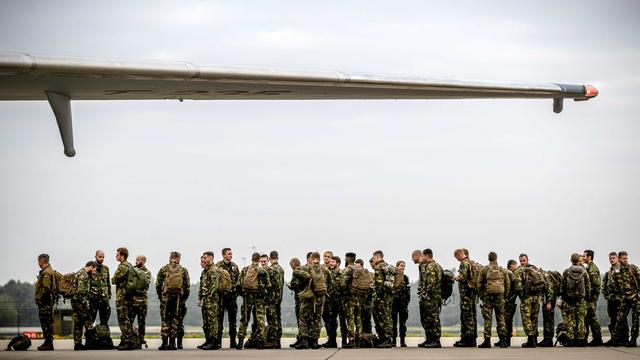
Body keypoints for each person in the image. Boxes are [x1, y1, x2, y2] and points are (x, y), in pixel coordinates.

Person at [156, 251, 190, 351]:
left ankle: (164, 343)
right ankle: (172, 343)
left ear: (170, 258)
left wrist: (161, 296)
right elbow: (187, 287)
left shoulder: (163, 269)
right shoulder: (183, 270)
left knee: (165, 319)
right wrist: (183, 299)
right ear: (178, 258)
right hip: (178, 299)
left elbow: (158, 284)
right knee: (175, 320)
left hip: (165, 298)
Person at [294, 251, 328, 349]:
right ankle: (315, 342)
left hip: (308, 298)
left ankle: (304, 341)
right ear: (320, 259)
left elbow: (295, 272)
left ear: (311, 259)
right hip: (320, 299)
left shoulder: (306, 268)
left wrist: (306, 276)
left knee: (303, 318)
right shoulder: (324, 269)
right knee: (317, 319)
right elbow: (330, 283)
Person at [236, 252, 270, 350]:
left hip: (247, 297)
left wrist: (244, 294)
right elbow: (268, 286)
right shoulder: (262, 270)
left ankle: (240, 341)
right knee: (260, 319)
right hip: (259, 297)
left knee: (244, 318)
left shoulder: (245, 270)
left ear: (251, 259)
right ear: (259, 260)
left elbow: (238, 285)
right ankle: (260, 342)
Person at [476, 252, 510, 348]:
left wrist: (482, 295)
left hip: (488, 297)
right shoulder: (502, 270)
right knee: (501, 318)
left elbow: (479, 284)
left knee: (488, 318)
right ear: (496, 258)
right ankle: (503, 340)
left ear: (488, 258)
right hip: (500, 297)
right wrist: (504, 295)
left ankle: (487, 341)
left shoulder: (484, 269)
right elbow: (507, 284)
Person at [513, 253, 546, 348]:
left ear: (527, 260)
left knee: (526, 318)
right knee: (534, 318)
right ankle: (534, 339)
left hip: (527, 298)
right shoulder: (535, 269)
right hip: (537, 297)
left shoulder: (519, 271)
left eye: (523, 260)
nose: (522, 262)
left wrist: (522, 296)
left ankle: (531, 340)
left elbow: (518, 287)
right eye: (521, 261)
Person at [561, 253, 591, 347]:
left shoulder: (566, 272)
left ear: (571, 260)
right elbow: (588, 286)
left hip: (569, 299)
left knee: (570, 319)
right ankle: (581, 340)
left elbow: (562, 287)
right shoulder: (584, 271)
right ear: (579, 261)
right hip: (581, 299)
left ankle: (570, 339)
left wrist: (564, 297)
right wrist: (587, 297)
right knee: (580, 319)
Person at [612, 251, 640, 347]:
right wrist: (618, 296)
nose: (625, 260)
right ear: (619, 259)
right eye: (624, 259)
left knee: (635, 319)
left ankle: (633, 340)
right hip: (624, 298)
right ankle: (615, 338)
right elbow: (615, 285)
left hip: (635, 297)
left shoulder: (633, 268)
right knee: (620, 318)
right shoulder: (616, 270)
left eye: (626, 258)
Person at [111, 247, 136, 351]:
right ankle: (125, 340)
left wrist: (114, 278)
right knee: (127, 319)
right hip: (129, 296)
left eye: (117, 254)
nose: (116, 256)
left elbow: (114, 280)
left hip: (123, 297)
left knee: (123, 319)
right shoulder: (129, 265)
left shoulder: (123, 266)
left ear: (122, 255)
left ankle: (127, 342)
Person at [453, 248, 478, 347]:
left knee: (466, 317)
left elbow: (462, 278)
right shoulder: (472, 263)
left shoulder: (464, 263)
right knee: (472, 316)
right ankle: (472, 338)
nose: (457, 259)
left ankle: (467, 340)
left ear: (459, 255)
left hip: (466, 294)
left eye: (457, 257)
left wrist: (454, 277)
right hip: (472, 293)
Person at [603, 252, 628, 346]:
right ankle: (614, 339)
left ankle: (624, 339)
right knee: (613, 319)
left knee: (622, 320)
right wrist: (606, 296)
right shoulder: (610, 271)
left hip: (620, 299)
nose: (611, 260)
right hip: (612, 299)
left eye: (613, 258)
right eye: (610, 258)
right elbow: (605, 286)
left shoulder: (621, 269)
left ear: (617, 258)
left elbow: (624, 285)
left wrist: (623, 297)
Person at [216, 248, 240, 348]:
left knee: (233, 321)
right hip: (221, 297)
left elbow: (239, 281)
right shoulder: (218, 266)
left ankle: (233, 342)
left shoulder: (234, 266)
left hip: (231, 296)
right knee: (219, 320)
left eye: (231, 254)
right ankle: (218, 342)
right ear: (223, 255)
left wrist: (236, 293)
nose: (231, 255)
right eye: (229, 254)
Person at [71, 261, 97, 350]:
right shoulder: (84, 275)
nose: (95, 272)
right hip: (80, 302)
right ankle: (92, 341)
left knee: (78, 323)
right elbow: (81, 292)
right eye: (94, 270)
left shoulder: (79, 272)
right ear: (91, 267)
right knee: (88, 321)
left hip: (75, 301)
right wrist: (85, 305)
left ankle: (77, 344)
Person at [371, 250, 394, 348]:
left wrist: (378, 296)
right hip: (389, 296)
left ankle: (386, 339)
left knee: (382, 318)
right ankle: (387, 339)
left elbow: (379, 283)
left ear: (377, 257)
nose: (373, 259)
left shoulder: (379, 267)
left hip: (382, 297)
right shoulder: (388, 266)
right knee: (387, 317)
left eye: (373, 257)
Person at [198, 251, 221, 350]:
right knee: (206, 322)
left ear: (210, 258)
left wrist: (209, 296)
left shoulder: (214, 270)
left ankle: (214, 342)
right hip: (205, 299)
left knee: (212, 321)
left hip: (212, 300)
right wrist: (200, 297)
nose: (203, 260)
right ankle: (208, 340)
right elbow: (202, 285)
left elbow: (215, 285)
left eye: (205, 258)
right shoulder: (205, 271)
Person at [34, 254, 56, 351]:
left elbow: (46, 289)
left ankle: (48, 343)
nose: (38, 263)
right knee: (48, 323)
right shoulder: (49, 270)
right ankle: (48, 343)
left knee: (46, 323)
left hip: (45, 303)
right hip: (48, 303)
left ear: (42, 261)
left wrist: (39, 298)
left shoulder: (46, 273)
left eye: (39, 261)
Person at [340, 252, 362, 348]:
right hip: (359, 298)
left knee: (350, 319)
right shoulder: (359, 269)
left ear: (348, 259)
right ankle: (359, 340)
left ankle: (352, 340)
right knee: (358, 319)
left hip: (349, 298)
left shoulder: (347, 269)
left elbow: (342, 284)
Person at [264, 251, 285, 349]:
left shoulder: (270, 270)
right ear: (277, 257)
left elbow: (267, 285)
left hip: (271, 298)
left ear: (269, 258)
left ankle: (273, 340)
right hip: (279, 298)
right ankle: (278, 340)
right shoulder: (281, 269)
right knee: (278, 319)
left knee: (272, 319)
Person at [130, 255, 151, 349]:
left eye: (138, 260)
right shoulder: (132, 269)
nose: (136, 261)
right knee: (129, 321)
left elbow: (144, 285)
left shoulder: (147, 272)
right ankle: (130, 339)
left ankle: (141, 340)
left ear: (143, 261)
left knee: (141, 322)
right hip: (132, 301)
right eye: (136, 259)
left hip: (142, 301)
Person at [583, 249, 603, 346]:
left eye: (584, 256)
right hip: (589, 299)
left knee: (593, 318)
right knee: (589, 319)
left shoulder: (592, 269)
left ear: (589, 257)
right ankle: (595, 338)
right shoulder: (588, 268)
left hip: (591, 299)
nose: (583, 257)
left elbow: (596, 286)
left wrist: (592, 298)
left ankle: (598, 338)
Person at [321, 255, 341, 348]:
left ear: (338, 263)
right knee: (327, 321)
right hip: (327, 301)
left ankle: (333, 340)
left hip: (335, 301)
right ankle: (331, 340)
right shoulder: (328, 272)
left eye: (333, 262)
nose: (331, 263)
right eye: (330, 262)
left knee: (332, 321)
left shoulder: (340, 273)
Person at [537, 268, 560, 347]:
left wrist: (549, 302)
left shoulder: (545, 276)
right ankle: (546, 339)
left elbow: (550, 289)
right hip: (546, 300)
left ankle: (548, 340)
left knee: (549, 320)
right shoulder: (542, 275)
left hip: (549, 301)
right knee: (546, 319)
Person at [89, 250, 111, 326]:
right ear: (95, 256)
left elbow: (108, 283)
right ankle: (89, 336)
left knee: (105, 319)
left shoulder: (106, 269)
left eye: (103, 257)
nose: (102, 259)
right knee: (91, 319)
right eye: (100, 257)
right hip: (93, 298)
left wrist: (109, 295)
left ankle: (103, 334)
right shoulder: (91, 267)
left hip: (104, 298)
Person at [391, 260, 410, 347]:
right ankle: (393, 341)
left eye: (404, 266)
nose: (403, 267)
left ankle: (402, 341)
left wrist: (407, 302)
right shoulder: (393, 277)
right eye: (401, 266)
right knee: (393, 324)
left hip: (403, 303)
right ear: (397, 266)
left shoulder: (406, 278)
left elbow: (408, 291)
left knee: (402, 324)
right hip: (394, 303)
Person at [288, 257, 304, 348]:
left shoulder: (297, 272)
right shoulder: (304, 270)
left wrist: (291, 286)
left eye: (291, 265)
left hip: (299, 298)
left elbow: (295, 285)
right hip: (303, 297)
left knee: (300, 320)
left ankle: (301, 339)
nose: (291, 267)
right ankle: (300, 338)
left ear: (294, 264)